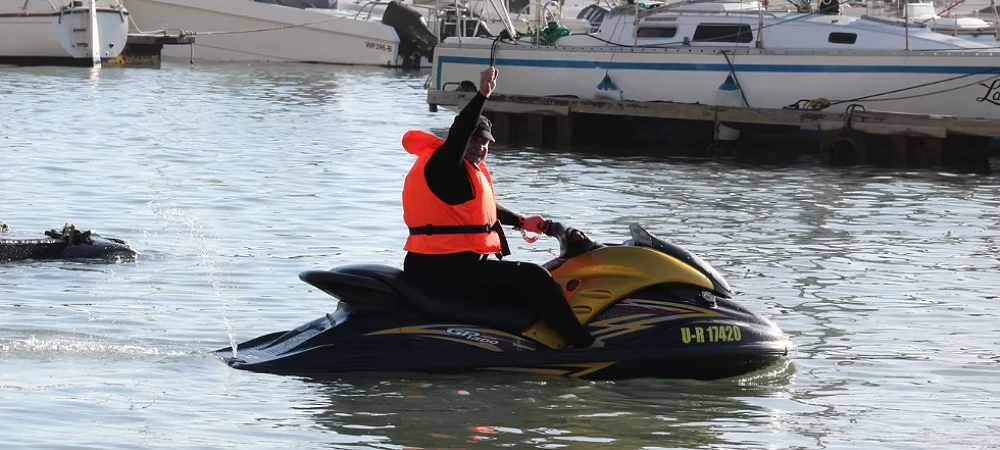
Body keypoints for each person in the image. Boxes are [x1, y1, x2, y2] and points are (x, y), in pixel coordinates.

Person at [400, 66, 601, 349]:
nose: (480, 147)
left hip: (450, 267)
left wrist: (521, 221)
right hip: (438, 270)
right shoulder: (444, 164)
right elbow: (459, 132)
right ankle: (584, 346)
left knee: (533, 278)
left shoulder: (461, 176)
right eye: (474, 140)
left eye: (485, 143)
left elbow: (480, 210)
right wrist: (483, 93)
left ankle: (528, 342)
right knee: (535, 278)